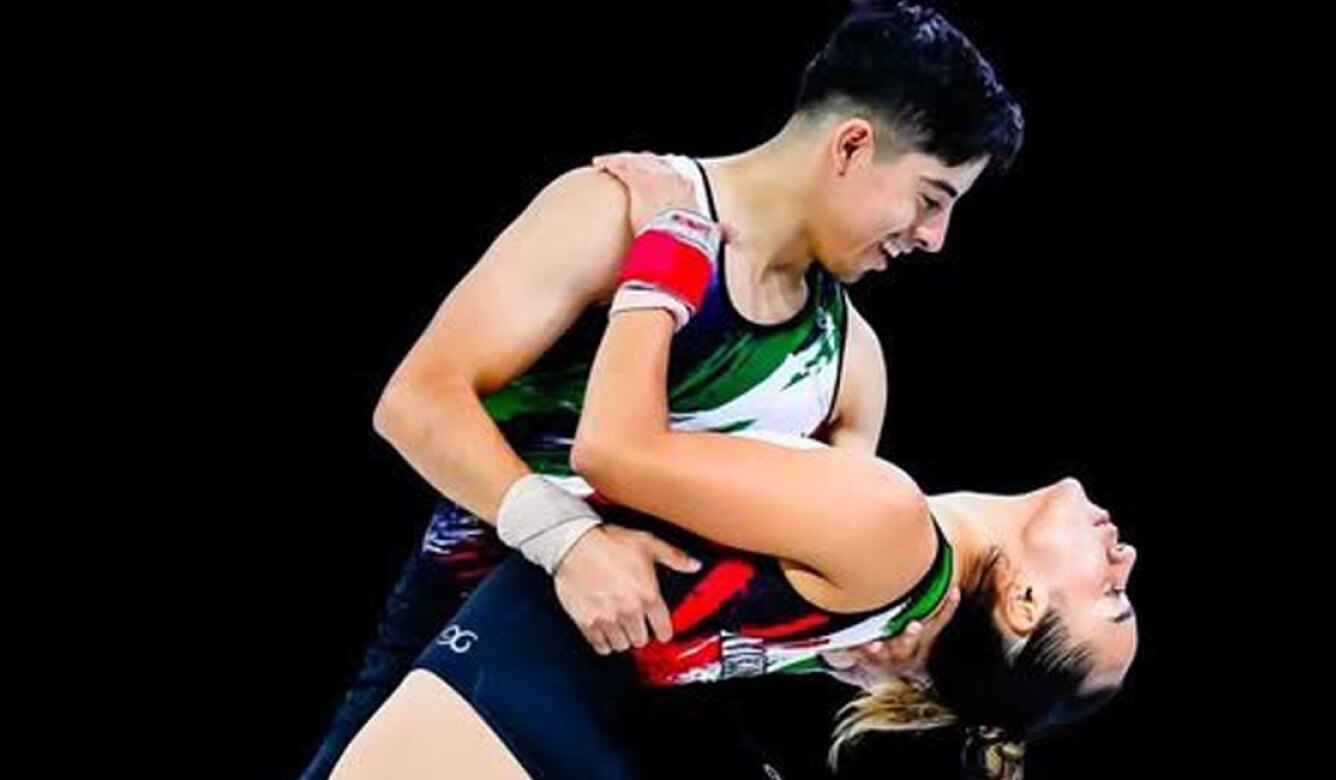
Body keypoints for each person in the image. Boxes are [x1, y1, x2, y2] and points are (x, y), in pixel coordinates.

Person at [300, 2, 1025, 776]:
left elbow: (789, 589)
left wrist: (849, 653)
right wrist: (567, 541)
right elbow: (417, 401)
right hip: (473, 651)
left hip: (651, 708)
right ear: (851, 144)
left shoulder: (850, 366)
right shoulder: (611, 211)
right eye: (930, 199)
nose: (933, 238)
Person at [328, 193, 1139, 780]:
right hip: (571, 694)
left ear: (1024, 604)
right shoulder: (894, 612)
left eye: (1111, 598)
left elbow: (611, 449)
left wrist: (670, 243)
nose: (1126, 558)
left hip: (533, 679)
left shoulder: (892, 530)